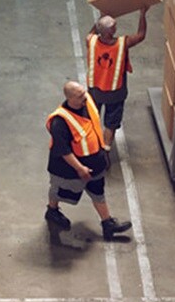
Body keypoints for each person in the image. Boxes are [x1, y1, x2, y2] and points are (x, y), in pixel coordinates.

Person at [44, 81, 133, 241]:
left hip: (94, 163)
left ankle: (107, 224)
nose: (84, 97)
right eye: (80, 96)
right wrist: (79, 168)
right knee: (59, 191)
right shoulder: (60, 122)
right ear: (70, 98)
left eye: (84, 93)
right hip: (69, 169)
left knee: (98, 192)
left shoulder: (88, 102)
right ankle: (52, 210)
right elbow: (64, 151)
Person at [86, 9, 147, 149]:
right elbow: (141, 35)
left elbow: (92, 32)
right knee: (111, 123)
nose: (116, 27)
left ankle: (91, 146)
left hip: (95, 91)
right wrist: (142, 15)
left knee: (92, 118)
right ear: (110, 32)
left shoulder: (90, 40)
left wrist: (100, 19)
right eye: (114, 26)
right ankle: (106, 148)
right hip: (115, 93)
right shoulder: (122, 44)